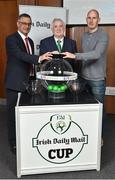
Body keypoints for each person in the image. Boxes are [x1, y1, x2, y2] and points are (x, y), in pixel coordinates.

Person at [5, 13, 52, 153]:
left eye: (29, 24)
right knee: (13, 115)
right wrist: (39, 58)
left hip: (29, 83)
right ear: (18, 24)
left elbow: (28, 61)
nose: (26, 26)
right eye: (24, 23)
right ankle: (13, 143)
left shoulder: (30, 41)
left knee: (26, 113)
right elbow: (20, 55)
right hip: (15, 82)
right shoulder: (11, 39)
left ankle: (24, 139)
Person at [62, 9, 109, 141]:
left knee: (99, 110)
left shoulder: (103, 35)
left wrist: (74, 55)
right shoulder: (84, 35)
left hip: (97, 79)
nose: (91, 20)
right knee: (86, 109)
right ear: (86, 20)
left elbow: (96, 54)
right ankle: (88, 135)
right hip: (84, 78)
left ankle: (99, 137)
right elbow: (86, 58)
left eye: (94, 18)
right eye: (89, 18)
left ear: (98, 20)